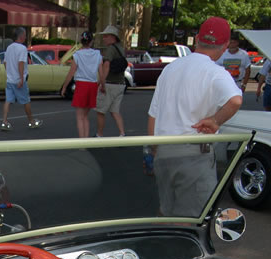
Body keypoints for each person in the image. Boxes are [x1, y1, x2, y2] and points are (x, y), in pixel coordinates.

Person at [146, 16, 242, 217]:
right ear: (224, 46)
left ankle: (165, 246)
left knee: (165, 211)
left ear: (197, 38)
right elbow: (235, 100)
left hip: (163, 151)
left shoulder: (170, 69)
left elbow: (153, 115)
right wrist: (215, 121)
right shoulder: (216, 72)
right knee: (193, 218)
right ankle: (182, 248)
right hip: (193, 154)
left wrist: (154, 151)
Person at [61, 31, 102, 138]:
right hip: (93, 85)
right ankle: (86, 139)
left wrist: (64, 87)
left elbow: (72, 72)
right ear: (91, 42)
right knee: (85, 115)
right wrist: (103, 85)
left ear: (81, 42)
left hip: (81, 85)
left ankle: (81, 141)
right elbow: (101, 72)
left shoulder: (77, 55)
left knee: (79, 116)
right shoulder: (97, 54)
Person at [0, 27, 42, 131]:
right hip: (19, 80)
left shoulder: (9, 47)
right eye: (25, 35)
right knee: (25, 101)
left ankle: (4, 122)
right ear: (21, 36)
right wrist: (21, 79)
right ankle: (31, 121)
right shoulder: (22, 49)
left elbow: (5, 62)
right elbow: (21, 63)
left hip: (10, 79)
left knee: (8, 100)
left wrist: (9, 73)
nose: (26, 37)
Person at [95, 25, 126, 137]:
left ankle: (99, 135)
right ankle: (122, 134)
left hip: (110, 83)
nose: (104, 38)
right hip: (120, 83)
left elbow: (106, 65)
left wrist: (102, 83)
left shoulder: (111, 50)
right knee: (115, 111)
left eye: (106, 36)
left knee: (100, 111)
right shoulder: (121, 49)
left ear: (113, 37)